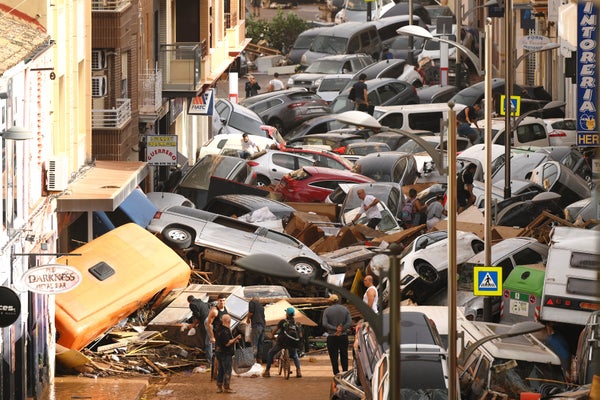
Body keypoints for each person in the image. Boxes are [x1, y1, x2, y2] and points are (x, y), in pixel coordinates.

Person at [263, 307, 302, 378]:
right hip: (292, 343)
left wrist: (272, 336)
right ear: (293, 315)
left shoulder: (283, 322)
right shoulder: (296, 323)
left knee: (271, 353)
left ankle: (267, 371)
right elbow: (300, 335)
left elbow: (275, 330)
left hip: (282, 342)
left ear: (287, 314)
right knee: (295, 355)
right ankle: (298, 371)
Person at [321, 294, 352, 375]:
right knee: (344, 355)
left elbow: (324, 323)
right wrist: (342, 329)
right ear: (338, 300)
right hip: (343, 336)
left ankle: (336, 373)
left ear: (330, 301)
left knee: (334, 357)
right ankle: (345, 373)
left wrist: (335, 328)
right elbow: (349, 322)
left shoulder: (327, 310)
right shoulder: (345, 309)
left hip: (332, 336)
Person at [214, 313, 242, 393]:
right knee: (227, 370)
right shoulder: (225, 331)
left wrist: (233, 341)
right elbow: (227, 343)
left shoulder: (218, 329)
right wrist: (236, 338)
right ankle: (226, 387)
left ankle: (219, 387)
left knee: (221, 370)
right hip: (225, 353)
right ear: (228, 321)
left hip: (219, 352)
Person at [184, 295, 212, 360]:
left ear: (189, 301)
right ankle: (210, 356)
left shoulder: (192, 304)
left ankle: (209, 359)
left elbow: (198, 316)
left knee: (208, 342)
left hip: (206, 321)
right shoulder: (201, 302)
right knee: (209, 339)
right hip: (210, 319)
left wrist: (193, 325)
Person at [207, 293, 229, 362]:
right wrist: (212, 337)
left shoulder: (226, 308)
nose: (222, 302)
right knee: (218, 355)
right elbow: (209, 324)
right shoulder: (214, 311)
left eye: (223, 300)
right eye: (220, 301)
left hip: (225, 335)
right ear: (218, 301)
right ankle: (216, 371)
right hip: (218, 335)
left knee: (226, 353)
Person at [246, 296, 266, 363]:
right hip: (263, 326)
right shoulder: (261, 306)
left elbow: (251, 312)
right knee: (260, 343)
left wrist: (248, 319)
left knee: (254, 343)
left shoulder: (252, 302)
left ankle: (253, 360)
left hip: (257, 325)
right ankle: (259, 359)